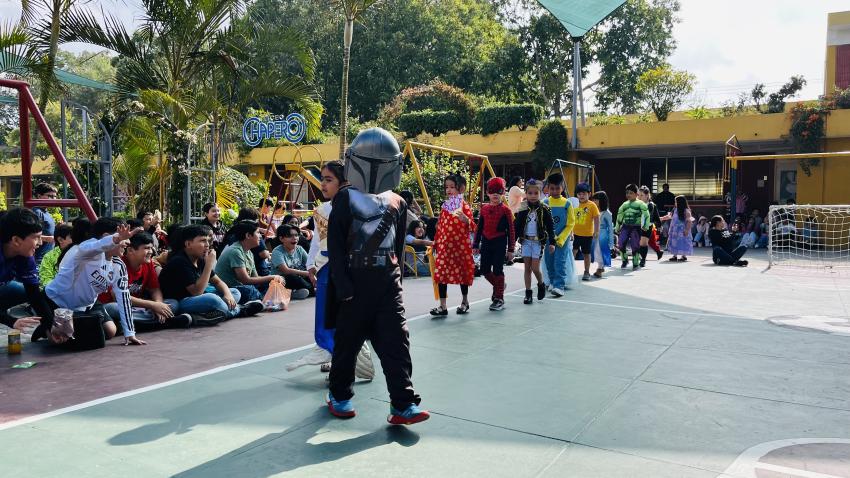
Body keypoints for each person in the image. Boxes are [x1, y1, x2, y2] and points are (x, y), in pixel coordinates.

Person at [325, 127, 428, 425]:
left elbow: (398, 248)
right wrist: (344, 287)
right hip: (354, 283)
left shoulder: (397, 202)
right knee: (347, 345)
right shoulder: (345, 199)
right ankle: (339, 395)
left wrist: (396, 285)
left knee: (397, 343)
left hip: (386, 284)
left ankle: (403, 403)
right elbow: (336, 247)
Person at [286, 161, 373, 376]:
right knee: (326, 314)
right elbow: (318, 240)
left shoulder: (357, 208)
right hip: (325, 267)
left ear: (343, 182)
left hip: (347, 268)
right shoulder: (321, 211)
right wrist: (310, 265)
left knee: (346, 315)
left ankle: (350, 358)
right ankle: (334, 355)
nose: (323, 184)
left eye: (329, 179)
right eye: (322, 179)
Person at [39, 217, 145, 347]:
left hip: (86, 305)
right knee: (61, 340)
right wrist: (115, 239)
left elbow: (123, 297)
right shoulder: (85, 252)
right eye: (124, 237)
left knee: (110, 331)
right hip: (56, 302)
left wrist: (130, 333)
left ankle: (76, 326)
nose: (128, 242)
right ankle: (45, 327)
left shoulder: (118, 265)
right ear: (106, 236)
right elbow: (88, 246)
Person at [159, 224, 263, 319]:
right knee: (213, 299)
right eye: (202, 241)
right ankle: (239, 310)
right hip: (180, 301)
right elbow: (196, 292)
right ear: (188, 244)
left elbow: (218, 282)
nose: (207, 245)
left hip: (198, 298)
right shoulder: (179, 261)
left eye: (208, 241)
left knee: (235, 292)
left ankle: (212, 313)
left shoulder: (199, 259)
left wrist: (228, 295)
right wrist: (209, 264)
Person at [102, 232, 193, 330]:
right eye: (146, 248)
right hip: (119, 304)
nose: (151, 252)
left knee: (173, 303)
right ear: (130, 250)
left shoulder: (148, 263)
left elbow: (155, 289)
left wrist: (158, 304)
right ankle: (166, 322)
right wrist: (152, 305)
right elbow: (118, 296)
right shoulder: (118, 264)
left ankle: (134, 324)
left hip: (139, 308)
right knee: (112, 308)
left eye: (151, 248)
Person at [0, 208, 55, 334]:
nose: (40, 243)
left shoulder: (25, 255)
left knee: (37, 294)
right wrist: (10, 321)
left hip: (3, 286)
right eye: (36, 238)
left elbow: (34, 294)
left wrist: (51, 327)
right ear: (16, 240)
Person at [430, 174, 476, 316]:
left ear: (461, 189)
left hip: (461, 248)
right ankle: (442, 306)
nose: (448, 190)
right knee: (441, 275)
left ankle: (465, 301)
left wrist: (467, 220)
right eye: (447, 187)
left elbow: (474, 227)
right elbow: (440, 227)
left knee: (463, 274)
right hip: (445, 248)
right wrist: (436, 242)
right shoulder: (445, 206)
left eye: (452, 187)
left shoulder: (464, 206)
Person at [215, 220, 284, 304]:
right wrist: (272, 277)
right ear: (248, 235)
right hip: (231, 290)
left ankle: (263, 300)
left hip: (245, 287)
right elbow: (245, 280)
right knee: (248, 291)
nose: (260, 236)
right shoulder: (235, 251)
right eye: (258, 233)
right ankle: (264, 300)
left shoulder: (249, 252)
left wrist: (273, 279)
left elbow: (255, 277)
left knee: (273, 283)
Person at [473, 177, 515, 311]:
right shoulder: (484, 209)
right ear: (487, 193)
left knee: (498, 270)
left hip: (500, 242)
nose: (495, 194)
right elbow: (479, 228)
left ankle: (499, 298)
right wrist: (475, 245)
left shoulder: (506, 211)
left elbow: (511, 230)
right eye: (492, 191)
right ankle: (499, 286)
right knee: (484, 270)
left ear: (503, 193)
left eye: (499, 191)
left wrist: (511, 249)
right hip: (486, 242)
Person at [514, 179, 555, 304]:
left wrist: (552, 242)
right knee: (527, 267)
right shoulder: (523, 207)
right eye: (530, 193)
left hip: (538, 242)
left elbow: (550, 226)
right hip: (525, 241)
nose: (533, 196)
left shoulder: (545, 208)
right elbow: (517, 226)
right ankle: (528, 293)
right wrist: (512, 243)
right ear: (526, 193)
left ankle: (541, 284)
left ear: (540, 194)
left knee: (535, 268)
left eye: (536, 193)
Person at [543, 173, 575, 297]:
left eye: (557, 188)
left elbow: (570, 223)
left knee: (559, 261)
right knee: (549, 261)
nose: (555, 191)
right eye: (552, 188)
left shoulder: (567, 204)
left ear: (562, 187)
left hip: (563, 239)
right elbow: (542, 221)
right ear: (548, 188)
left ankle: (559, 286)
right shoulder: (545, 202)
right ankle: (552, 282)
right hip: (548, 238)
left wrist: (561, 238)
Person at [271, 224, 313, 299]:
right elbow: (286, 270)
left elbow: (309, 264)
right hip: (282, 281)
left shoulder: (299, 249)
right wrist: (307, 273)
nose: (294, 238)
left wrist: (312, 273)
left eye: (296, 235)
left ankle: (292, 294)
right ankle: (314, 290)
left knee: (310, 274)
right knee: (292, 277)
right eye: (290, 236)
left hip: (298, 277)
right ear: (281, 238)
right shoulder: (277, 251)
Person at [616, 184, 650, 271]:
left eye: (631, 193)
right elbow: (619, 216)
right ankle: (625, 260)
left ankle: (635, 263)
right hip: (625, 226)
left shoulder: (641, 204)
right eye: (627, 193)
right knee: (620, 243)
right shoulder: (624, 205)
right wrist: (617, 227)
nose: (628, 195)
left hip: (636, 227)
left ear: (636, 194)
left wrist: (646, 226)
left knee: (635, 245)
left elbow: (646, 215)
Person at [572, 183, 600, 281]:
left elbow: (596, 218)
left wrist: (596, 231)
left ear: (589, 194)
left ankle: (587, 271)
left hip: (587, 235)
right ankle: (570, 271)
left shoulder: (592, 205)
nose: (581, 196)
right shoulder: (574, 204)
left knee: (586, 254)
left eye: (584, 193)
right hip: (575, 234)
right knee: (573, 252)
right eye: (579, 194)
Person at [32, 182, 59, 266]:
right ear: (39, 196)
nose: (54, 199)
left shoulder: (46, 213)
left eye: (55, 196)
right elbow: (28, 234)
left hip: (46, 259)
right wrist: (47, 238)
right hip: (39, 260)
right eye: (50, 196)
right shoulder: (36, 212)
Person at [661, 195, 694, 262]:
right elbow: (669, 216)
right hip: (674, 230)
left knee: (683, 242)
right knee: (674, 242)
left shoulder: (686, 211)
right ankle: (674, 255)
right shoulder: (674, 210)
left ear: (680, 203)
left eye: (676, 202)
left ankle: (683, 256)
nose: (675, 203)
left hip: (682, 230)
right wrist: (661, 218)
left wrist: (687, 230)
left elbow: (689, 221)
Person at [38, 222, 72, 287]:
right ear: (60, 240)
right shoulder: (49, 257)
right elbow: (46, 280)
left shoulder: (80, 253)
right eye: (72, 237)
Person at [638, 185, 664, 265]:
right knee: (641, 243)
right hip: (637, 226)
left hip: (647, 226)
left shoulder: (651, 205)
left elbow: (656, 217)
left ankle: (643, 260)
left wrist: (659, 226)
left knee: (643, 243)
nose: (639, 197)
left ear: (647, 195)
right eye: (638, 195)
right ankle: (658, 252)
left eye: (641, 195)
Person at [590, 190, 614, 278]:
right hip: (594, 234)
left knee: (601, 251)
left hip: (603, 236)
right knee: (595, 251)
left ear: (602, 201)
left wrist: (611, 242)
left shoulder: (607, 213)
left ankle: (600, 268)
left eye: (596, 200)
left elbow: (610, 228)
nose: (594, 201)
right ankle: (600, 267)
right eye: (593, 199)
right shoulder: (593, 211)